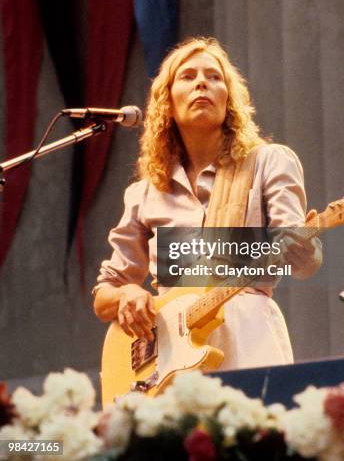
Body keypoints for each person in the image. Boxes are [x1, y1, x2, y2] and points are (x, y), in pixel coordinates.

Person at [93, 36, 322, 369]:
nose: (202, 82)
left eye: (214, 77)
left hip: (249, 335)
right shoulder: (143, 194)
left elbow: (302, 261)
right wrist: (127, 294)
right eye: (188, 76)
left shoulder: (269, 162)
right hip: (169, 353)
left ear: (228, 99)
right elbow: (105, 295)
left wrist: (305, 250)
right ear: (167, 103)